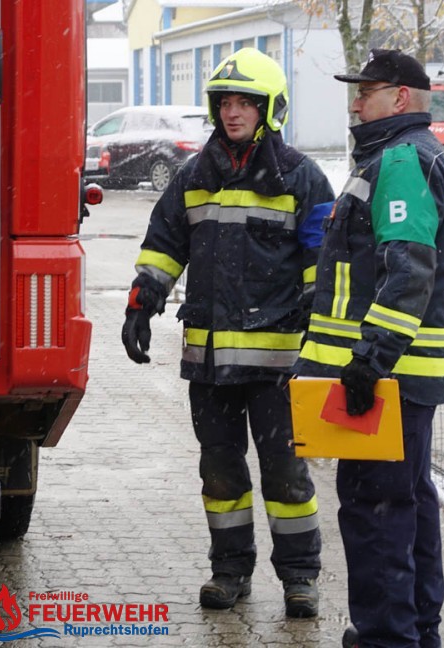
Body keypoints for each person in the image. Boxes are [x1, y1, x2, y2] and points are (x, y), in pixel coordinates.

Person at [121, 47, 335, 617]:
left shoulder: (302, 178)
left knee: (285, 477)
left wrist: (319, 330)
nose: (232, 113)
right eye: (225, 103)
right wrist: (142, 302)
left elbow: (324, 262)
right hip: (210, 362)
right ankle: (230, 572)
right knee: (219, 473)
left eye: (245, 102)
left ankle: (300, 579)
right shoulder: (195, 175)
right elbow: (164, 243)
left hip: (279, 365)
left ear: (270, 109)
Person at [292, 49, 444, 648]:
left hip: (389, 377)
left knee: (376, 509)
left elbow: (409, 269)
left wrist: (371, 358)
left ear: (400, 97)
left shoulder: (401, 159)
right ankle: (413, 630)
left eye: (366, 92)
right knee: (406, 503)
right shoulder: (401, 155)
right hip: (402, 375)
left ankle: (387, 637)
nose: (355, 102)